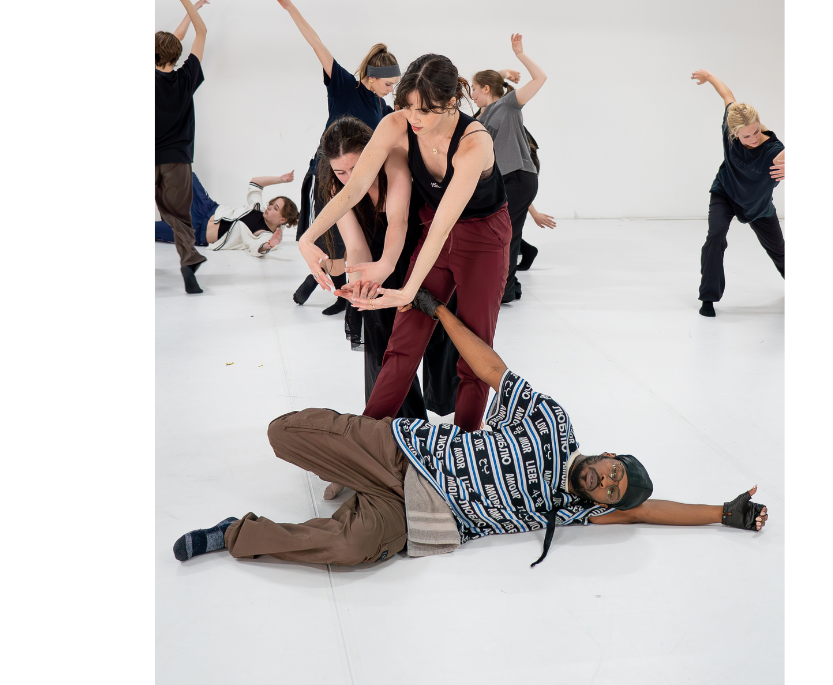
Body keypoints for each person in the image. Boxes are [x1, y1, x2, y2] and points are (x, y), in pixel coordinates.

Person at [172, 287, 769, 568]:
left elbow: (646, 510)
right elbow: (490, 368)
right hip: (402, 453)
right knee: (282, 433)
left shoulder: (573, 510)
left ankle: (233, 536)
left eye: (610, 491)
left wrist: (723, 512)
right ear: (607, 454)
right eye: (615, 473)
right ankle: (345, 464)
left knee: (350, 549)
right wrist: (439, 314)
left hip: (416, 519)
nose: (607, 485)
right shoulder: (551, 425)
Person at [299, 54, 511, 433]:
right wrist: (307, 237)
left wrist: (410, 288)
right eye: (407, 105)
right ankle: (366, 443)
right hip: (433, 228)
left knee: (473, 349)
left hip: (483, 238)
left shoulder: (474, 143)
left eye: (425, 111)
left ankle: (464, 447)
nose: (414, 119)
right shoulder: (396, 124)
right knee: (402, 342)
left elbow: (446, 227)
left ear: (450, 103)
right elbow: (355, 188)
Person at [267, 0, 401, 314]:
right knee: (325, 232)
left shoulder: (383, 109)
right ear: (372, 77)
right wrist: (289, 6)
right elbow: (317, 44)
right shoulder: (344, 85)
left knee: (352, 237)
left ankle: (339, 290)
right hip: (329, 172)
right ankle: (321, 283)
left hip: (361, 179)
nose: (390, 90)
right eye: (388, 84)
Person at [691, 70, 786, 317]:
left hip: (758, 205)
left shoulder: (774, 149)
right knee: (716, 235)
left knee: (780, 251)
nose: (753, 138)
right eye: (746, 136)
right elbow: (727, 95)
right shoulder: (730, 125)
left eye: (756, 131)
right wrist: (710, 77)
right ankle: (708, 299)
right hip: (725, 193)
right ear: (733, 133)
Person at [471, 34, 549, 303]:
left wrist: (520, 55)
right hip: (505, 181)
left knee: (508, 233)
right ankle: (509, 287)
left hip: (519, 177)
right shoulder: (480, 116)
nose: (471, 93)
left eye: (474, 88)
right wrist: (500, 73)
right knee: (504, 232)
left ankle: (505, 289)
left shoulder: (509, 103)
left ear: (485, 88)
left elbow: (540, 79)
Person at [155, 0, 209, 294]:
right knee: (180, 215)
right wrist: (186, 3)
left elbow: (164, 47)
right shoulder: (187, 77)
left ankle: (190, 258)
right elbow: (200, 33)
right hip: (178, 162)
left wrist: (186, 10)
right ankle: (188, 263)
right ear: (176, 57)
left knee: (168, 214)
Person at [156, 172, 299, 256]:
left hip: (195, 232)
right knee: (185, 173)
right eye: (271, 204)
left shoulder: (266, 235)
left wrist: (270, 244)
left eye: (275, 208)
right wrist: (280, 180)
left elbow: (257, 248)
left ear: (282, 219)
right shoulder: (257, 208)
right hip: (206, 209)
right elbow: (255, 184)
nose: (269, 208)